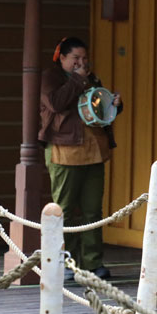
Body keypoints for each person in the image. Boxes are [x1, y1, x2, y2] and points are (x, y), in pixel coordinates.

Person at [39, 37, 123, 281]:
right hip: (64, 150)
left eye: (84, 58)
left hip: (94, 149)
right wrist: (78, 78)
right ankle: (63, 261)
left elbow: (99, 108)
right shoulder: (50, 78)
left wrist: (115, 104)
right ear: (62, 58)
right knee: (64, 210)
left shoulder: (91, 78)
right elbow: (56, 104)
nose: (81, 63)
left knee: (92, 210)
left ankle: (93, 263)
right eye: (75, 58)